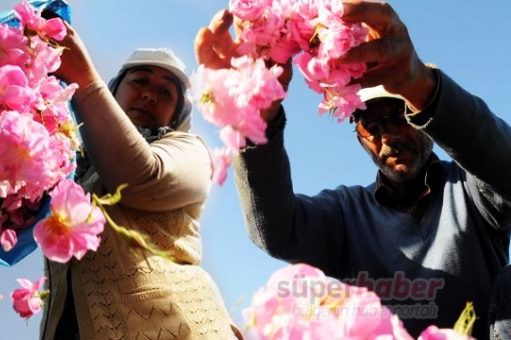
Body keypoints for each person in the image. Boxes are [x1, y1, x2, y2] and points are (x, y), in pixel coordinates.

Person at [194, 1, 511, 339]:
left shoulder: (472, 188)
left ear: (422, 117)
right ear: (359, 138)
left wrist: (420, 83)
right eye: (371, 124)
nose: (388, 135)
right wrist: (255, 118)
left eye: (400, 115)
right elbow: (274, 230)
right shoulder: (346, 213)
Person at [39, 20, 243, 340]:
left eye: (165, 92)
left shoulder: (190, 150)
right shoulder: (73, 168)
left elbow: (140, 179)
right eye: (140, 81)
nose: (149, 95)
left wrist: (82, 80)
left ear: (175, 115)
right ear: (115, 91)